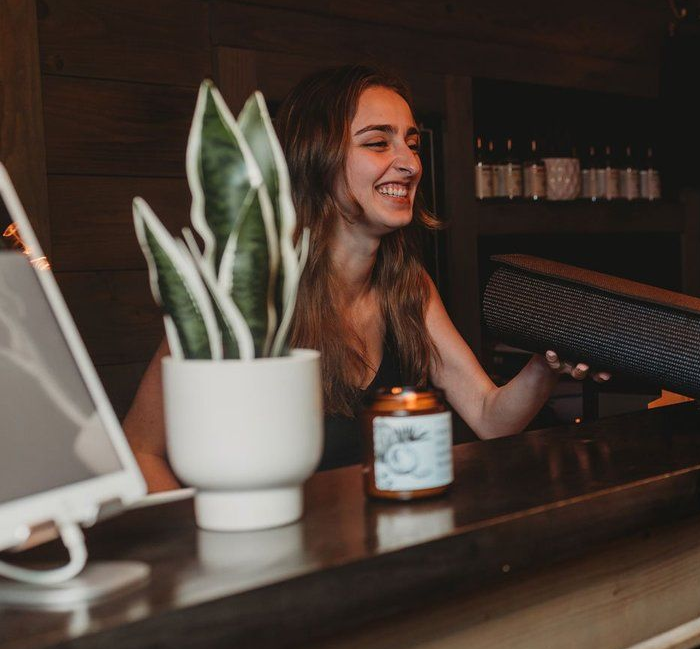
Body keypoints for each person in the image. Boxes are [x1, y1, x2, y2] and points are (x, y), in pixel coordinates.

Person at [124, 65, 602, 489]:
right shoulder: (248, 302)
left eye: (412, 143)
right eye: (378, 143)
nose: (410, 163)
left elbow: (489, 417)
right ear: (316, 159)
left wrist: (545, 365)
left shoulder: (408, 285)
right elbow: (140, 451)